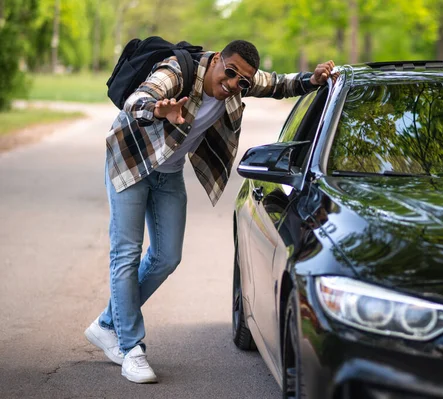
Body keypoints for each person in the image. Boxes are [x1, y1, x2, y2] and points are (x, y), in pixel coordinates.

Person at [84, 39, 337, 384]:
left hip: (168, 173)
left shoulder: (238, 84)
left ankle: (107, 324)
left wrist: (313, 79)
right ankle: (131, 348)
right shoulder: (177, 71)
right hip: (131, 162)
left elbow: (278, 83)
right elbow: (137, 100)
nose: (234, 84)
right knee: (126, 253)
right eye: (230, 73)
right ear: (217, 60)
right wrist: (158, 110)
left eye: (242, 82)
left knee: (167, 257)